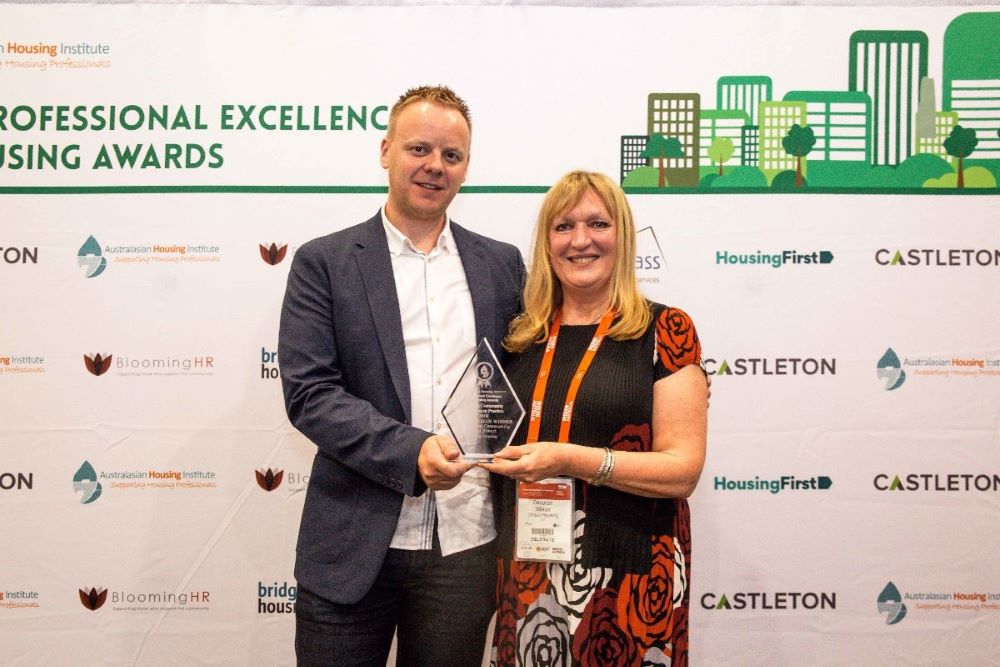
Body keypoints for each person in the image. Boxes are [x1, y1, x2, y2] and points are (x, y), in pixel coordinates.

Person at [278, 85, 525, 667]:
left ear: (466, 166)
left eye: (451, 155)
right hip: (352, 545)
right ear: (386, 150)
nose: (435, 165)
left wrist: (658, 379)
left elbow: (537, 371)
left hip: (466, 546)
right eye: (419, 149)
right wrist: (413, 452)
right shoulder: (324, 262)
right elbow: (311, 394)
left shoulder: (502, 264)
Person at [481, 171, 708, 666]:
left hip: (630, 580)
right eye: (563, 226)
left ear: (623, 237)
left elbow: (683, 470)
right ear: (546, 244)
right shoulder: (519, 337)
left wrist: (571, 459)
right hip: (528, 569)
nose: (580, 240)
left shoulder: (665, 329)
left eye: (598, 224)